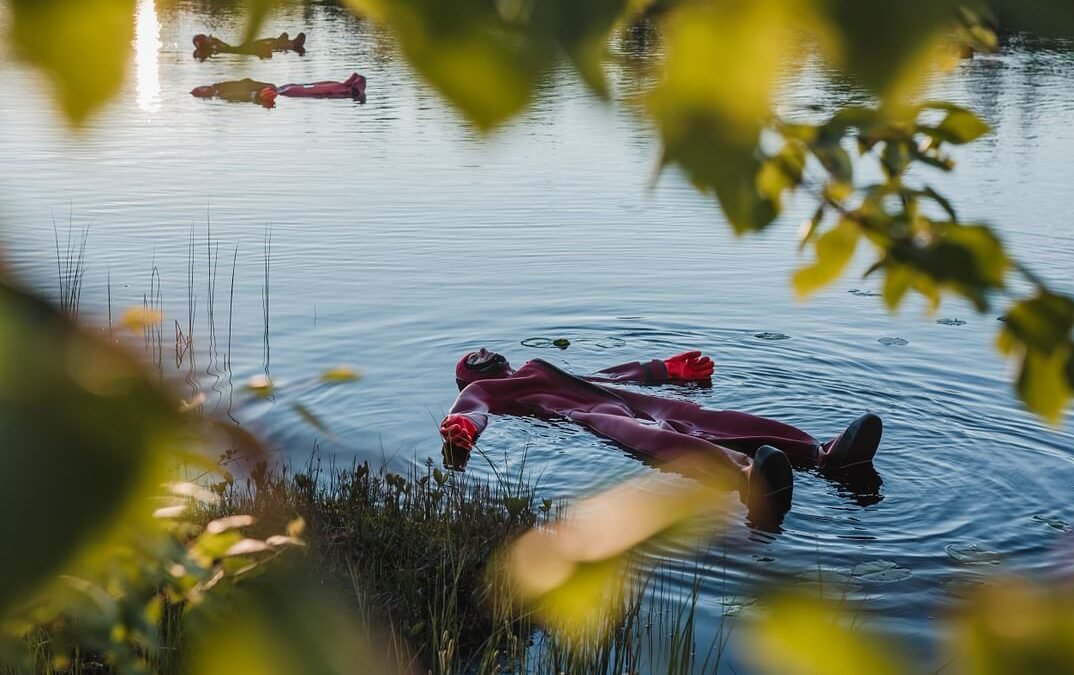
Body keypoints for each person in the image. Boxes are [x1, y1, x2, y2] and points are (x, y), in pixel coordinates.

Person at [440, 348, 882, 521]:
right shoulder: (486, 389)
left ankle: (823, 454)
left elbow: (608, 373)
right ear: (466, 375)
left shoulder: (535, 367)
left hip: (625, 398)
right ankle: (749, 473)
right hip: (591, 415)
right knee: (655, 437)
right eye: (471, 356)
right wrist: (463, 425)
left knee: (713, 417)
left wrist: (663, 370)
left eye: (483, 347)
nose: (481, 351)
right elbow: (472, 407)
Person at [192, 32, 307, 60]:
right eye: (207, 37)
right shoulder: (214, 48)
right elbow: (229, 49)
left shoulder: (214, 46)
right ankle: (292, 44)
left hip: (243, 48)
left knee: (267, 41)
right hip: (245, 50)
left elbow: (229, 47)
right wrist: (216, 41)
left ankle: (289, 42)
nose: (210, 36)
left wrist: (216, 40)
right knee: (270, 44)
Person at [190, 79, 278, 107]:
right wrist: (257, 95)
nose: (204, 87)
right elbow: (241, 95)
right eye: (201, 89)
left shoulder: (218, 88)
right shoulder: (220, 95)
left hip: (266, 90)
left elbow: (244, 82)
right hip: (263, 93)